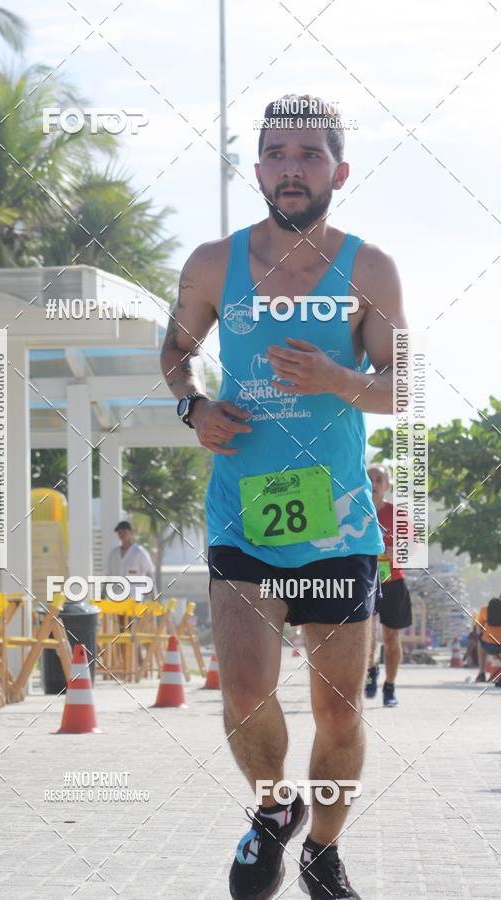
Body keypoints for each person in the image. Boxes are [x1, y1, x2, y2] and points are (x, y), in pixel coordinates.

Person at [160, 94, 408, 900]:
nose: (291, 169)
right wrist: (193, 406)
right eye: (276, 153)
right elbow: (177, 350)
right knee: (243, 691)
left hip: (336, 523)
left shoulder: (368, 268)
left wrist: (341, 380)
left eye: (308, 155)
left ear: (338, 170)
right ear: (258, 168)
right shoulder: (211, 263)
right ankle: (274, 809)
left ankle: (323, 851)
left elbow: (402, 386)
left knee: (338, 717)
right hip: (243, 511)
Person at [365, 465, 413, 707]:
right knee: (367, 636)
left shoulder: (398, 514)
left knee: (392, 638)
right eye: (369, 478)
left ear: (387, 486)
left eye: (379, 479)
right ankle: (371, 669)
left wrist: (397, 552)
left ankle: (390, 686)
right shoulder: (354, 511)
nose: (373, 482)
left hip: (393, 581)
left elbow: (415, 548)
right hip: (365, 582)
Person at [105, 521, 155, 596]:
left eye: (124, 532)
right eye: (119, 533)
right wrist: (102, 594)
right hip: (116, 598)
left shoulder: (139, 552)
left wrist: (154, 595)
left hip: (134, 599)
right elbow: (108, 576)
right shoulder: (113, 554)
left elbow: (149, 573)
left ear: (131, 532)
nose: (122, 535)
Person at [474, 598, 501, 684]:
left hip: (487, 645)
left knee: (480, 642)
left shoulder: (484, 609)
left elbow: (478, 630)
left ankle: (482, 673)